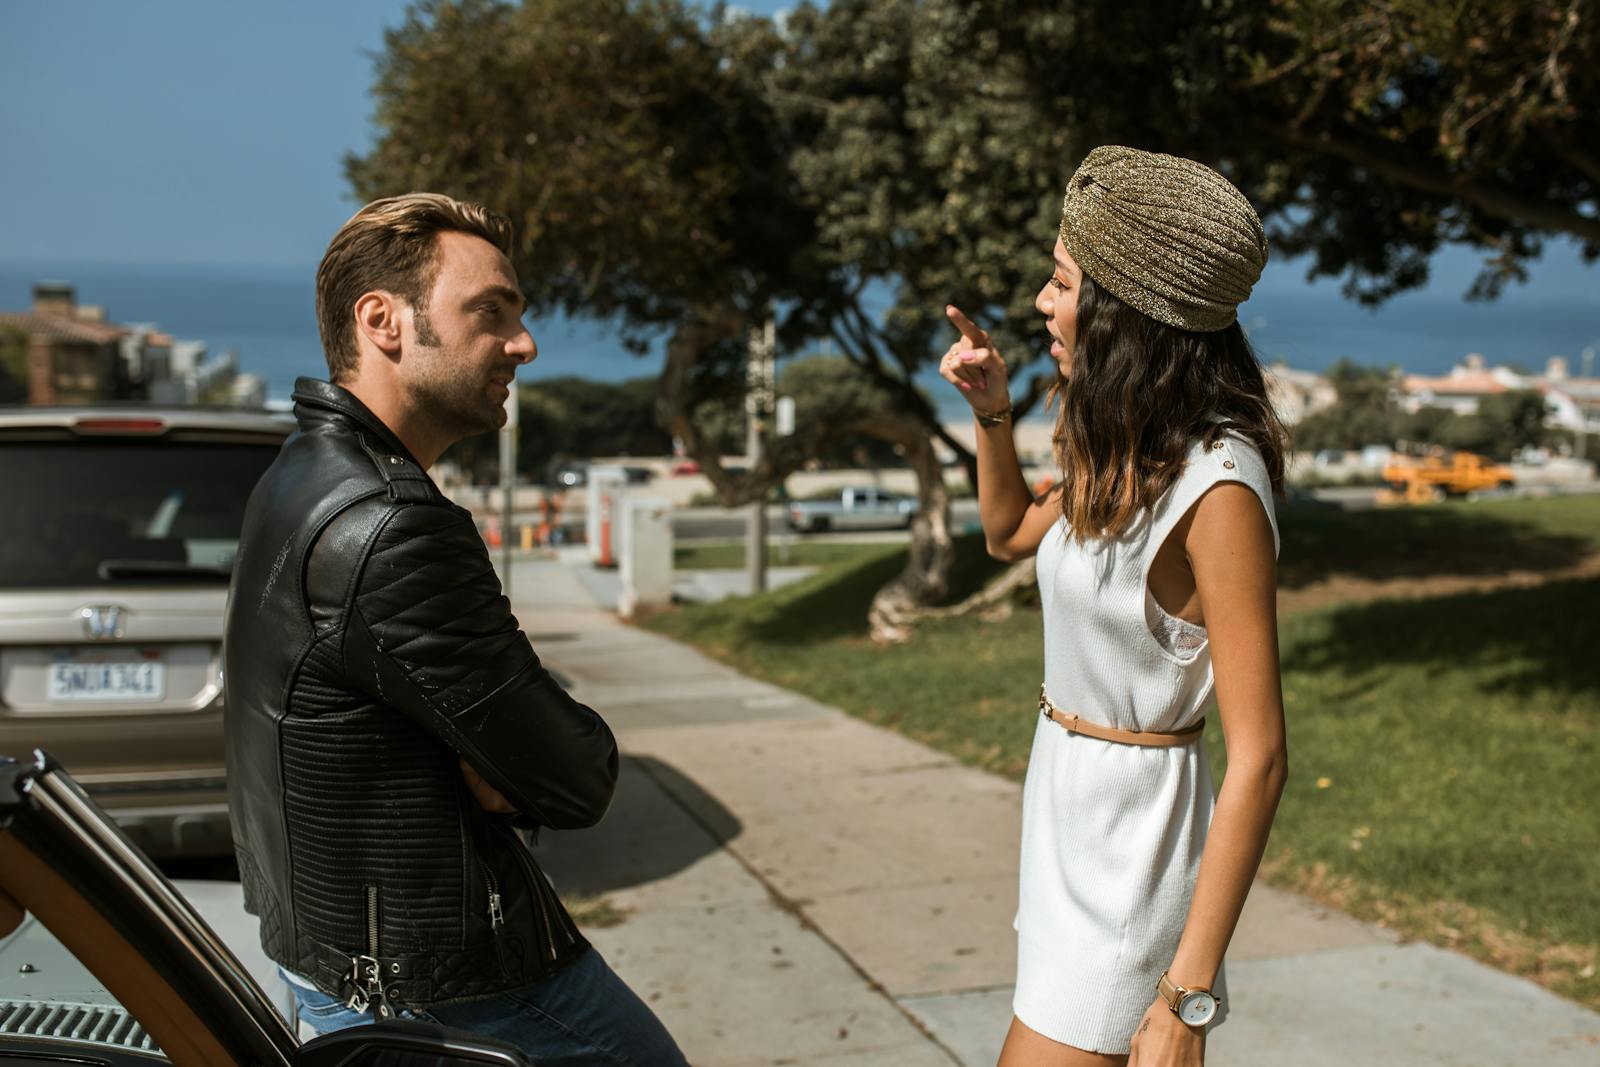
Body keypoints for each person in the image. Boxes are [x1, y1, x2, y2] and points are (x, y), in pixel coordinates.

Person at [224, 193, 688, 1066]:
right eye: (491, 312)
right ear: (383, 322)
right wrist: (500, 762)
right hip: (448, 990)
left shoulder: (299, 472)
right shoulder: (393, 523)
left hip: (337, 959)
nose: (525, 343)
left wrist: (486, 753)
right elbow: (575, 775)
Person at [937, 146, 1289, 1067]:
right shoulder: (1127, 442)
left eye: (1062, 281)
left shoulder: (1218, 488)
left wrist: (1187, 997)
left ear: (1126, 306)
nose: (1042, 302)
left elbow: (1259, 758)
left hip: (1134, 855)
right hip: (1065, 824)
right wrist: (992, 412)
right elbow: (1009, 533)